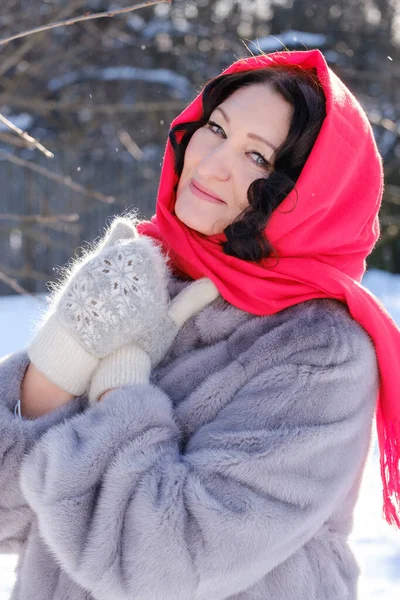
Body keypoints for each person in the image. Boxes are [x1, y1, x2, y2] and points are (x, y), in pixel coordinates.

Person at [0, 48, 399, 600]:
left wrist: (121, 376)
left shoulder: (318, 351)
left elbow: (166, 563)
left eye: (258, 158)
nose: (212, 162)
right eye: (216, 128)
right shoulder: (146, 278)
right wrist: (62, 353)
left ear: (309, 199)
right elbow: (10, 514)